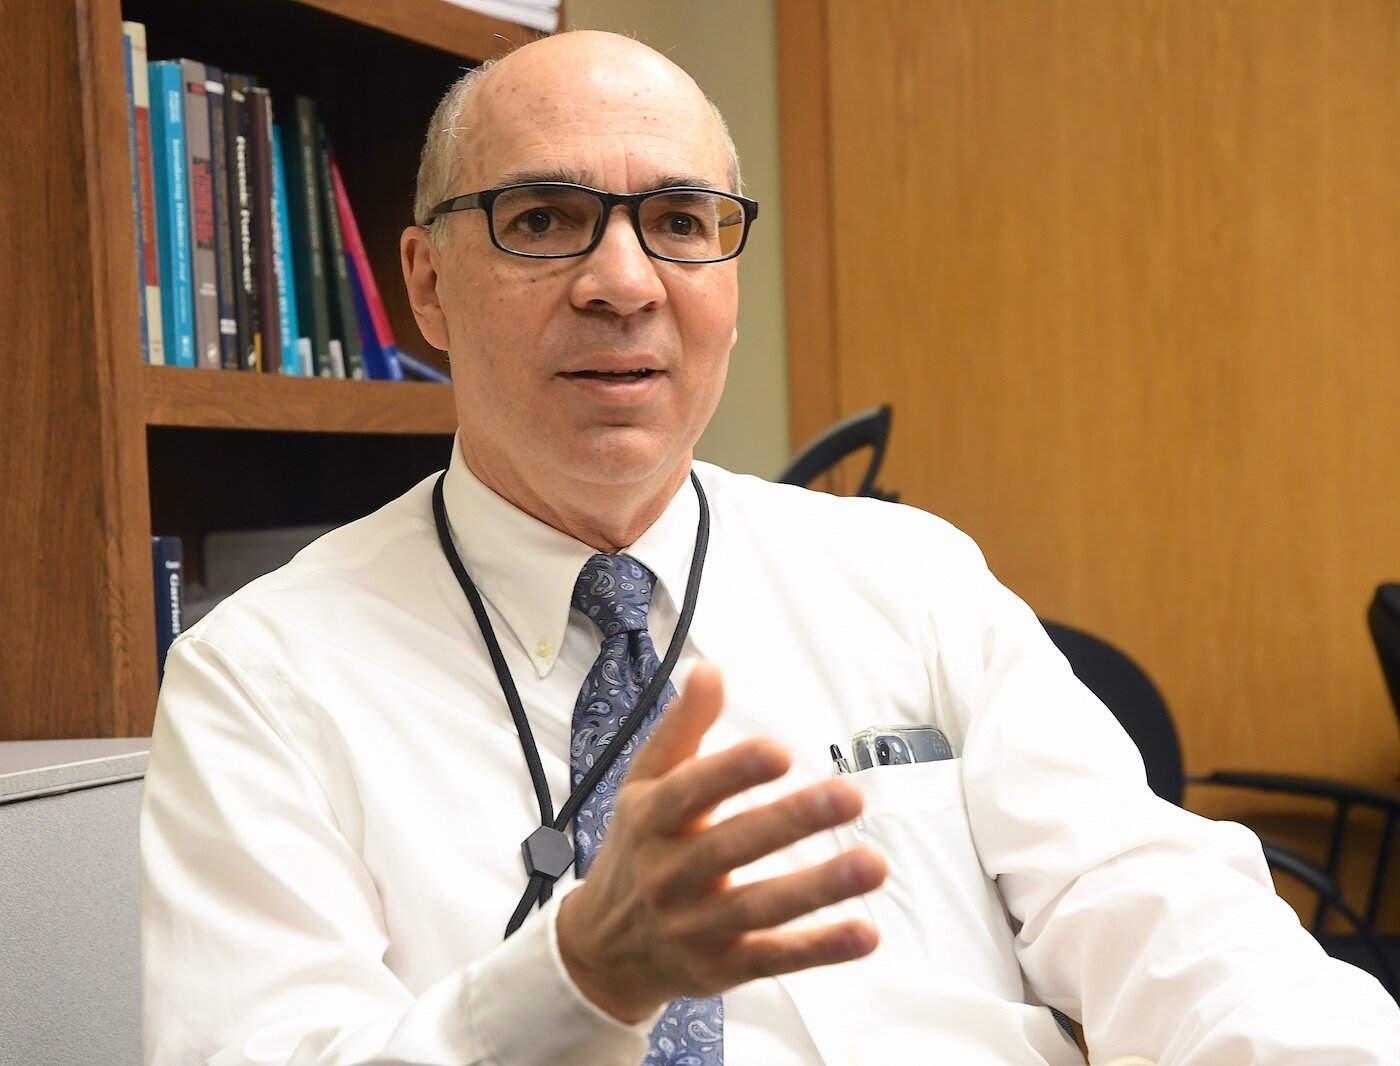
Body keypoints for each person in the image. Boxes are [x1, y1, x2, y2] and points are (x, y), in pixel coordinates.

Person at [141, 29, 1400, 1066]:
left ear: (726, 282)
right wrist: (576, 977)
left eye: (679, 221)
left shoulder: (909, 577)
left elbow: (1161, 912)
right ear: (425, 284)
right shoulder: (259, 677)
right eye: (543, 217)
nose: (623, 281)